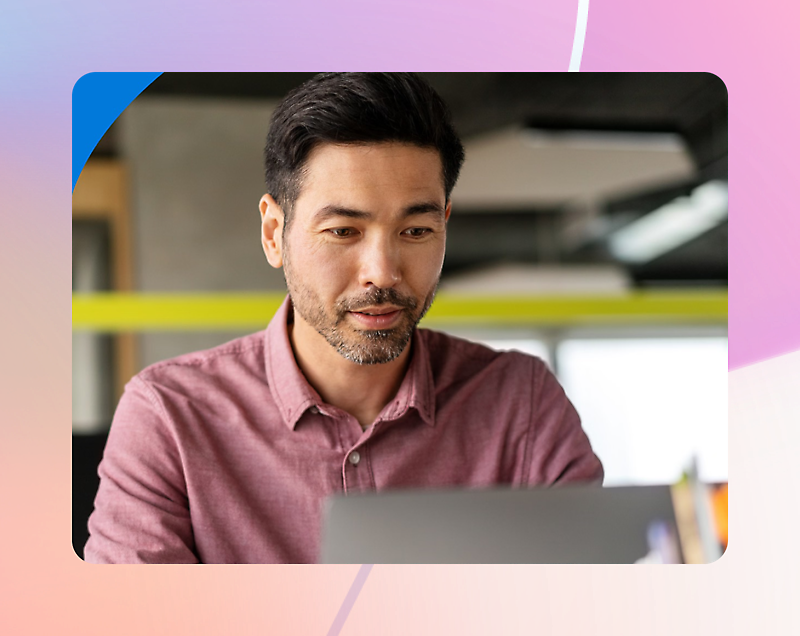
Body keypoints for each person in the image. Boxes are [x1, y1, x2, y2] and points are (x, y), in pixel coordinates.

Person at [84, 73, 603, 564]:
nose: (383, 272)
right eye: (343, 232)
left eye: (416, 232)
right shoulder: (169, 417)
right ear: (273, 233)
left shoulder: (521, 403)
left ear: (445, 224)